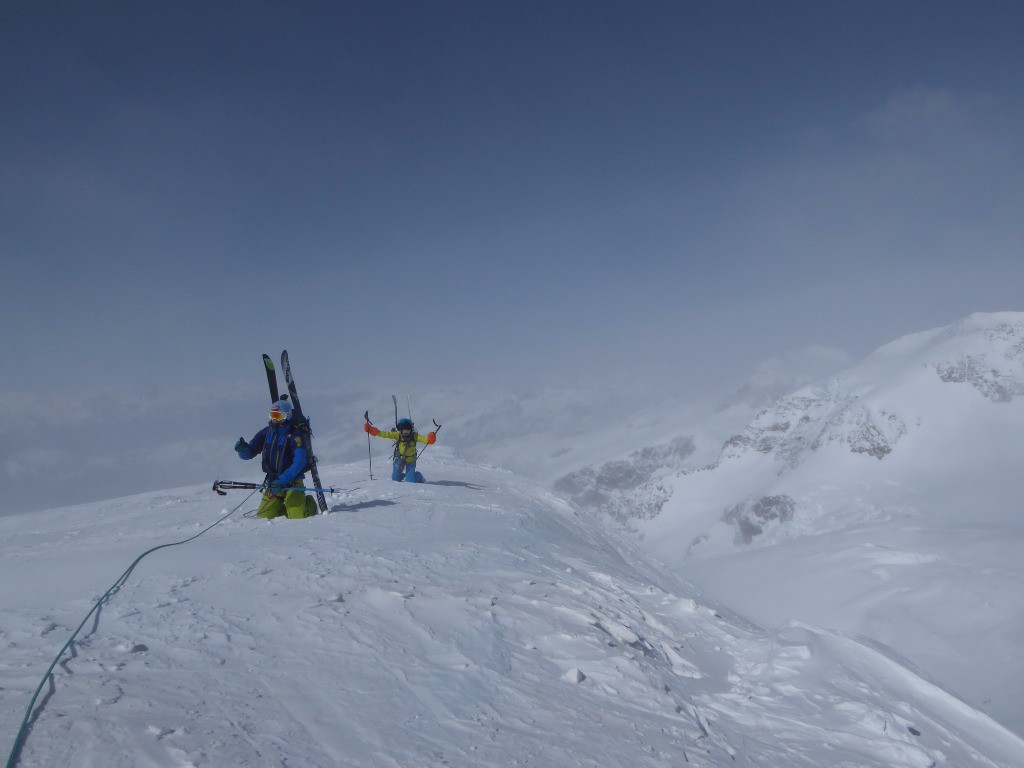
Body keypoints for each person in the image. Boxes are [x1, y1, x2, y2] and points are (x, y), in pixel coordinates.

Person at [235, 399, 317, 519]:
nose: (275, 420)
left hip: (292, 482)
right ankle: (288, 507)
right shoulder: (267, 432)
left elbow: (300, 461)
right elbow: (251, 451)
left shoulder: (295, 435)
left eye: (278, 416)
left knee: (298, 517)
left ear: (287, 416)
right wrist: (243, 451)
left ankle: (308, 504)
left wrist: (282, 481)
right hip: (272, 482)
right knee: (264, 517)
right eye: (272, 415)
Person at [364, 417, 436, 482]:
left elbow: (425, 440)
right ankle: (408, 476)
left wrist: (430, 439)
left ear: (411, 430)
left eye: (408, 431)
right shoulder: (397, 435)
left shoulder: (415, 436)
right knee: (395, 478)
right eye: (404, 431)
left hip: (411, 460)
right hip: (399, 459)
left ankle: (418, 477)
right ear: (400, 431)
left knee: (410, 481)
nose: (406, 433)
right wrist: (372, 430)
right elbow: (385, 434)